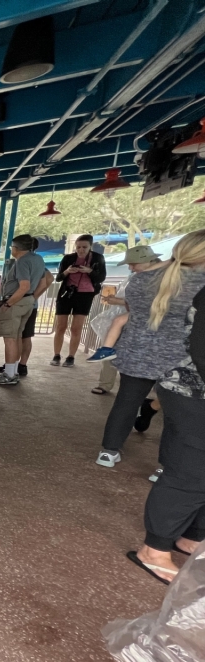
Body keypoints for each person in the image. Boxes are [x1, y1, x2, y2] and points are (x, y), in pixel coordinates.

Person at [127, 232, 205, 584]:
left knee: (188, 463)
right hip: (190, 385)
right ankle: (155, 549)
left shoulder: (148, 280)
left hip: (166, 374)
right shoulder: (196, 285)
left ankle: (191, 535)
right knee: (191, 470)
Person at [97, 237, 205, 467]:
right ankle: (166, 466)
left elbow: (131, 311)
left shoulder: (140, 280)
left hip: (138, 351)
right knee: (177, 413)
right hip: (181, 357)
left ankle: (108, 451)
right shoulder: (200, 284)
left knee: (126, 402)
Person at [0, 234, 47, 386]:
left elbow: (24, 286)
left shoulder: (22, 261)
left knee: (10, 339)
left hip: (16, 302)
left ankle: (9, 375)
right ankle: (13, 370)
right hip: (27, 302)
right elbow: (46, 281)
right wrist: (31, 298)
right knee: (16, 337)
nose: (11, 250)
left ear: (17, 248)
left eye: (11, 247)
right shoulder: (38, 259)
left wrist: (8, 304)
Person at [51, 234, 107, 367]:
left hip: (85, 296)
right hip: (66, 294)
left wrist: (89, 271)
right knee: (60, 327)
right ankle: (56, 355)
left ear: (90, 247)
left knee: (76, 328)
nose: (81, 250)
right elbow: (58, 278)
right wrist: (67, 272)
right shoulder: (68, 258)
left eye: (84, 247)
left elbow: (101, 278)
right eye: (78, 247)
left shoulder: (98, 258)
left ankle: (71, 357)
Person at [18, 267, 54, 376]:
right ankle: (22, 365)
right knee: (25, 336)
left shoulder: (30, 262)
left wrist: (34, 296)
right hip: (29, 304)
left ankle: (15, 364)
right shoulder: (37, 263)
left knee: (18, 336)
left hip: (21, 303)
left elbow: (50, 279)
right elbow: (49, 279)